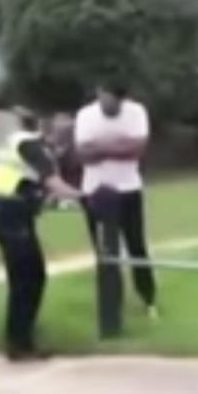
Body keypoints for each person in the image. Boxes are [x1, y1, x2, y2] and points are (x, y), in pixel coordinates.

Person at [0, 108, 82, 362]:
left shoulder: (26, 145)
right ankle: (18, 344)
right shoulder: (30, 145)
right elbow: (53, 184)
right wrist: (85, 197)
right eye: (64, 128)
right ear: (47, 125)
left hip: (8, 213)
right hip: (9, 214)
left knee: (28, 277)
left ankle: (20, 341)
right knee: (27, 278)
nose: (68, 131)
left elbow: (37, 185)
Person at [75, 77, 158, 338]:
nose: (113, 106)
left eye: (118, 101)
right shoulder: (86, 116)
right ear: (99, 92)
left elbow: (137, 150)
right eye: (108, 99)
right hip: (95, 191)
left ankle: (148, 299)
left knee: (136, 246)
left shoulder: (136, 112)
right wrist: (119, 146)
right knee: (104, 251)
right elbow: (83, 154)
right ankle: (111, 308)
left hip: (128, 189)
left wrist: (101, 148)